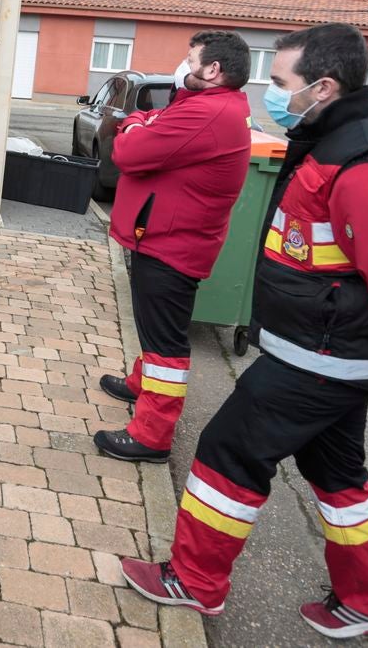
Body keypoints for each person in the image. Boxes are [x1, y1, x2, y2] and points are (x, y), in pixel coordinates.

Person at [119, 23, 368, 639]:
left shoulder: (361, 161)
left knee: (228, 453)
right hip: (325, 351)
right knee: (338, 476)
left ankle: (195, 583)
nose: (275, 95)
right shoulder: (327, 141)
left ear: (324, 86)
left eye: (282, 84)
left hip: (324, 356)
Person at [94, 30, 253, 463]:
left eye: (190, 58)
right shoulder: (210, 107)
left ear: (213, 70)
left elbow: (128, 152)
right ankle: (139, 384)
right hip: (169, 239)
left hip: (170, 246)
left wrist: (134, 122)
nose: (183, 64)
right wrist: (148, 123)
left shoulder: (208, 113)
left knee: (165, 344)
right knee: (154, 329)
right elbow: (156, 130)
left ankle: (152, 435)